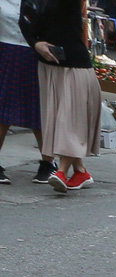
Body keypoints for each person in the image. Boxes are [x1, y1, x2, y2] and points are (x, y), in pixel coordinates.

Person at [22, 0, 98, 193]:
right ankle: (80, 171)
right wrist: (36, 44)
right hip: (48, 65)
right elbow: (25, 23)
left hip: (74, 66)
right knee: (58, 119)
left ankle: (62, 171)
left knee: (68, 120)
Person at [0, 0, 49, 184]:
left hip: (34, 54)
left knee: (39, 111)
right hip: (6, 51)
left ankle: (47, 163)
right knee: (3, 111)